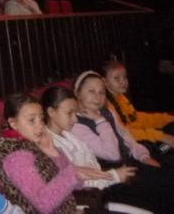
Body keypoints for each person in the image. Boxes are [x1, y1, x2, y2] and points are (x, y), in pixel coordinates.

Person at [71, 70, 174, 213]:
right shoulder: (76, 124)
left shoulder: (108, 111)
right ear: (77, 94)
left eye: (102, 92)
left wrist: (144, 156)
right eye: (91, 91)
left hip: (130, 163)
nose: (98, 97)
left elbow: (126, 136)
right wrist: (100, 121)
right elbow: (112, 155)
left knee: (168, 173)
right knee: (166, 186)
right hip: (112, 177)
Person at [42, 86, 153, 214]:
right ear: (51, 112)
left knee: (148, 183)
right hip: (88, 197)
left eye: (75, 113)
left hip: (102, 185)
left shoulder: (69, 135)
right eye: (69, 113)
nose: (75, 119)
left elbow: (93, 164)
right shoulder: (50, 145)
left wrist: (112, 175)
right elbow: (76, 182)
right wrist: (114, 176)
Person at [0, 93, 106, 213]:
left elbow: (67, 184)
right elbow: (43, 204)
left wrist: (53, 152)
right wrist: (73, 174)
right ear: (13, 123)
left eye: (41, 119)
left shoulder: (32, 145)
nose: (40, 125)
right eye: (32, 120)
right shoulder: (17, 157)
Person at [102, 60, 174, 147]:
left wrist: (167, 118)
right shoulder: (107, 106)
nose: (123, 82)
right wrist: (160, 136)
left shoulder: (121, 97)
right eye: (117, 78)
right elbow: (124, 132)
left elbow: (137, 119)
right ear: (105, 82)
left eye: (124, 77)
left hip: (139, 137)